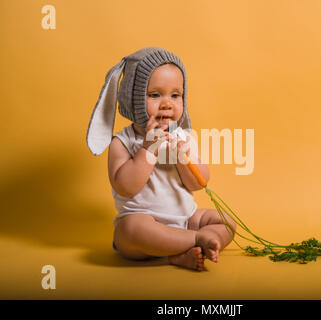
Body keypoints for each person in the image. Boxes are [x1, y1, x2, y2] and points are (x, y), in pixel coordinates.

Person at [86, 47, 236, 271]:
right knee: (129, 231)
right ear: (134, 100)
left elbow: (200, 182)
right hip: (146, 225)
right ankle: (196, 241)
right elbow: (125, 187)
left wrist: (183, 159)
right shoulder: (123, 142)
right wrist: (148, 149)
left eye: (175, 95)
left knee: (227, 221)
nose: (167, 103)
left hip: (186, 221)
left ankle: (181, 251)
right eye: (155, 95)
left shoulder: (183, 137)